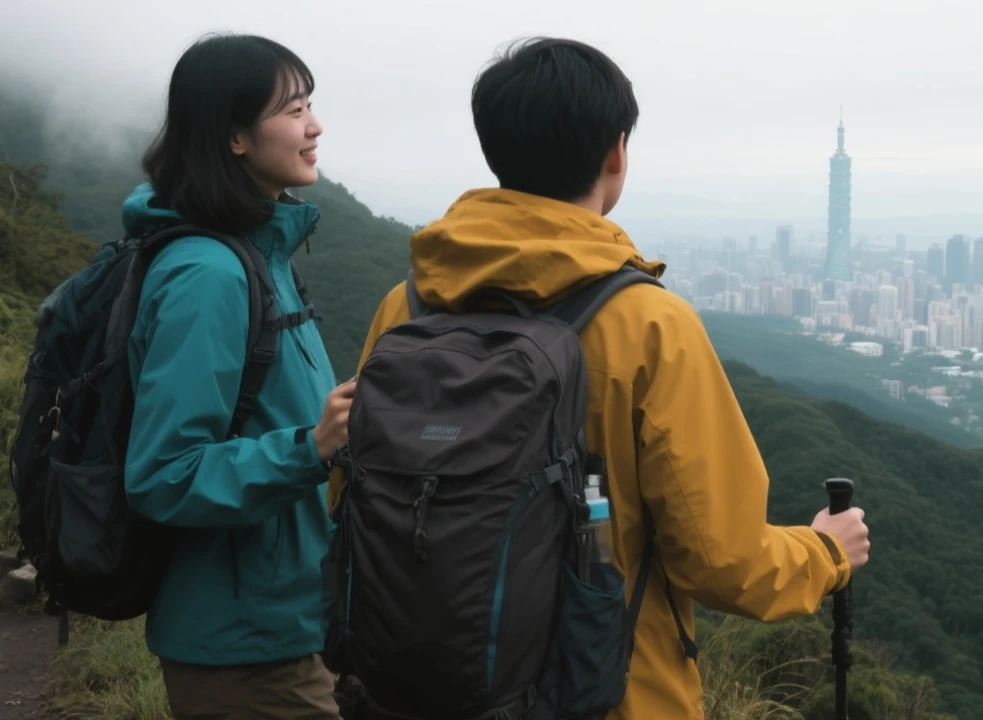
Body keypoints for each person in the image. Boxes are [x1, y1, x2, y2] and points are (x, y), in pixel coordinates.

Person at [329, 36, 870, 719]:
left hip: (414, 690)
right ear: (616, 153)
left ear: (494, 148)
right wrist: (826, 551)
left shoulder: (404, 306)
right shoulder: (648, 324)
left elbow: (353, 489)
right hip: (606, 694)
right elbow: (724, 562)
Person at [122, 32, 352, 719]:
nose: (314, 127)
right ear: (235, 139)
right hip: (244, 649)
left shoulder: (261, 256)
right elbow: (164, 473)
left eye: (310, 104)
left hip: (286, 621)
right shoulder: (208, 276)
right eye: (292, 110)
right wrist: (310, 448)